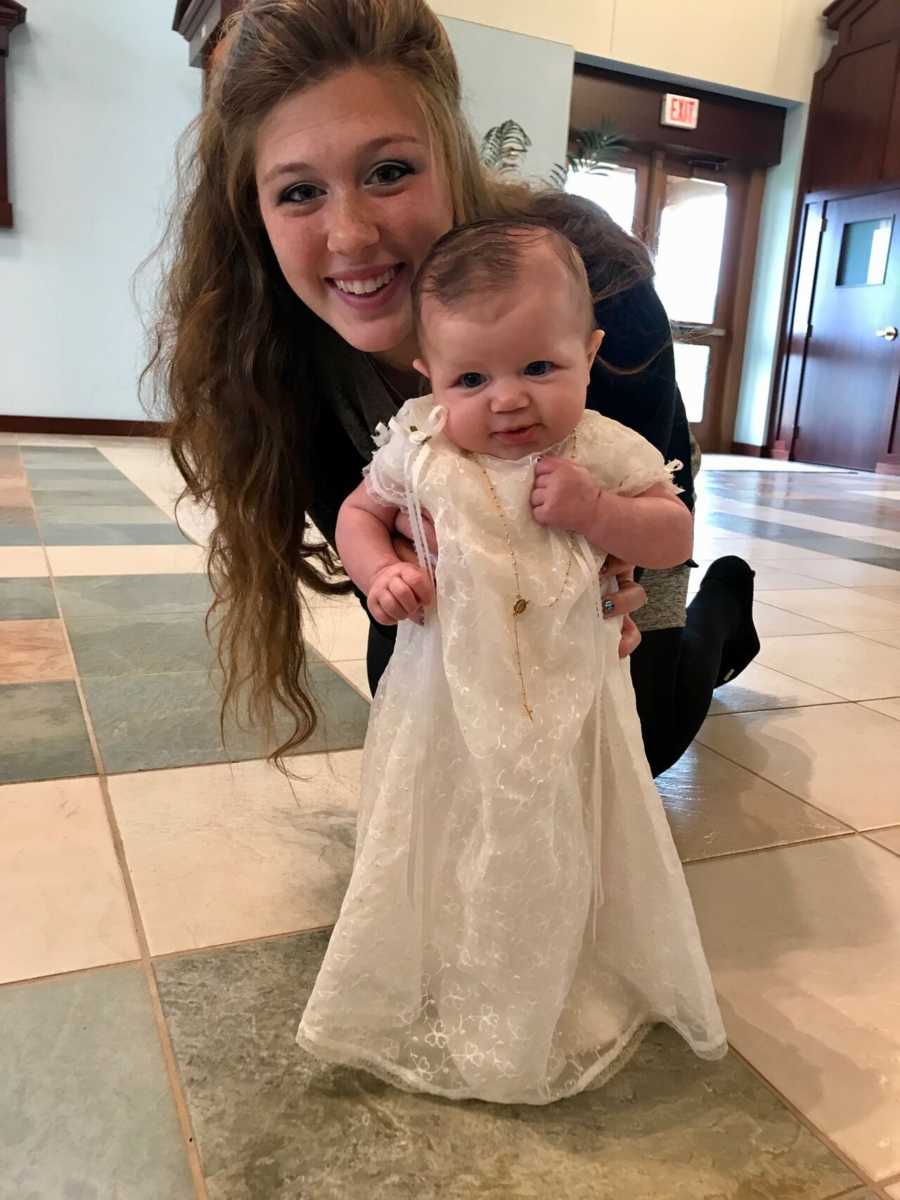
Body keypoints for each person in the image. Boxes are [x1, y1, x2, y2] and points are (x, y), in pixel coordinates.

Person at [146, 0, 758, 774]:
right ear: (254, 213)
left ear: (453, 159)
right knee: (423, 716)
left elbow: (651, 528)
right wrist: (408, 578)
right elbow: (379, 535)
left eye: (389, 171)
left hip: (618, 512)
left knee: (642, 734)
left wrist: (608, 579)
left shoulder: (592, 279)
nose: (351, 236)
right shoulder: (275, 355)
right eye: (299, 192)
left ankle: (726, 611)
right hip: (463, 560)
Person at [296, 220, 727, 1103]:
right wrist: (381, 572)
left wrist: (599, 512)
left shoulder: (599, 449)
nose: (506, 401)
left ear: (590, 350)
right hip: (443, 699)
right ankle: (444, 942)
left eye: (538, 368)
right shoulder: (418, 444)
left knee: (560, 820)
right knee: (445, 814)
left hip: (573, 695)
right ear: (429, 374)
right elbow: (355, 514)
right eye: (470, 378)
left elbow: (674, 533)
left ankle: (562, 957)